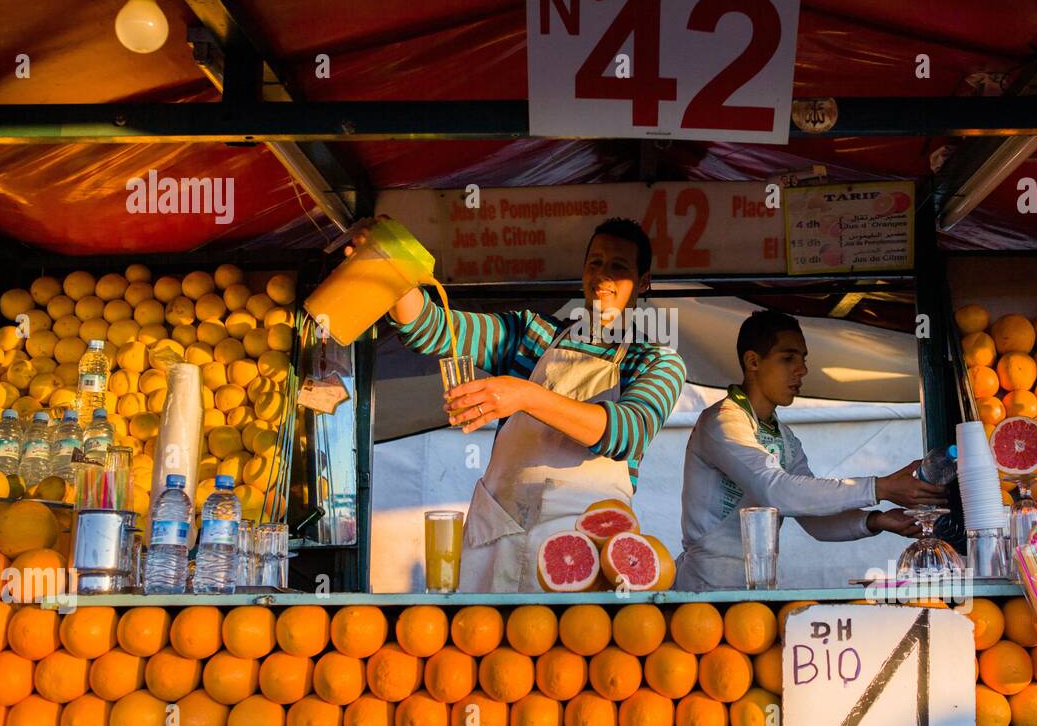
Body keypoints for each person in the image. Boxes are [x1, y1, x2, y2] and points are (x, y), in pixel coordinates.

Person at [371, 217, 686, 592]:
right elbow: (432, 327)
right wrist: (383, 263)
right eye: (595, 263)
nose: (603, 275)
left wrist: (526, 395)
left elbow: (626, 433)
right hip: (498, 540)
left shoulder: (656, 360)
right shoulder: (532, 336)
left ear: (643, 282)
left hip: (585, 555)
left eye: (619, 267)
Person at [675, 309, 947, 591]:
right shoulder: (722, 420)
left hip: (756, 592)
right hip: (703, 592)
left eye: (803, 360)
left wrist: (876, 519)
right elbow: (776, 491)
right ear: (753, 361)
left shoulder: (785, 438)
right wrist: (881, 487)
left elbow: (812, 518)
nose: (802, 370)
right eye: (788, 358)